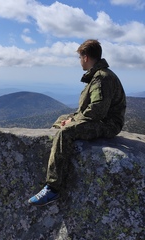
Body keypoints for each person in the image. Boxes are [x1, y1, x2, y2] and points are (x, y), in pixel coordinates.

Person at [28, 39, 126, 206]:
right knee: (61, 120)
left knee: (65, 132)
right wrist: (71, 119)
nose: (80, 61)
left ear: (86, 57)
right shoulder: (98, 75)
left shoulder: (101, 77)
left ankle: (53, 188)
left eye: (80, 57)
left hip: (107, 124)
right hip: (102, 119)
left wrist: (73, 123)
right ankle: (56, 155)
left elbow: (97, 111)